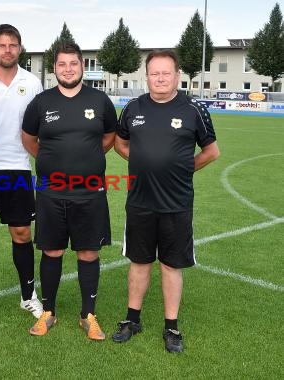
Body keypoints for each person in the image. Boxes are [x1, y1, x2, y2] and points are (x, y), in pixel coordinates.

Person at [112, 49, 220, 353]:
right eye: (154, 73)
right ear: (146, 76)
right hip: (140, 202)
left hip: (177, 204)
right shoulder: (133, 107)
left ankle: (171, 327)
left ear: (177, 76)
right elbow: (120, 142)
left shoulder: (193, 109)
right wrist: (141, 162)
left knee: (171, 265)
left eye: (166, 73)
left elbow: (212, 152)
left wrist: (185, 169)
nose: (160, 78)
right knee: (139, 261)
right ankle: (132, 319)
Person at [21, 42, 116, 340]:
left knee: (88, 252)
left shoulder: (100, 101)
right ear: (54, 69)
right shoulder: (41, 102)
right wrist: (52, 162)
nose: (68, 69)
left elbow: (110, 136)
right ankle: (48, 312)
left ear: (82, 66)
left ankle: (88, 315)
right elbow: (29, 138)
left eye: (73, 64)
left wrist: (85, 161)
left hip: (89, 192)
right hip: (51, 192)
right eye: (62, 64)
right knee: (52, 250)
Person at [0, 24, 44, 319]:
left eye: (13, 45)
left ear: (20, 48)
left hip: (17, 169)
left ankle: (28, 296)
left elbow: (39, 128)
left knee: (22, 232)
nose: (7, 50)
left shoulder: (32, 82)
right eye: (1, 45)